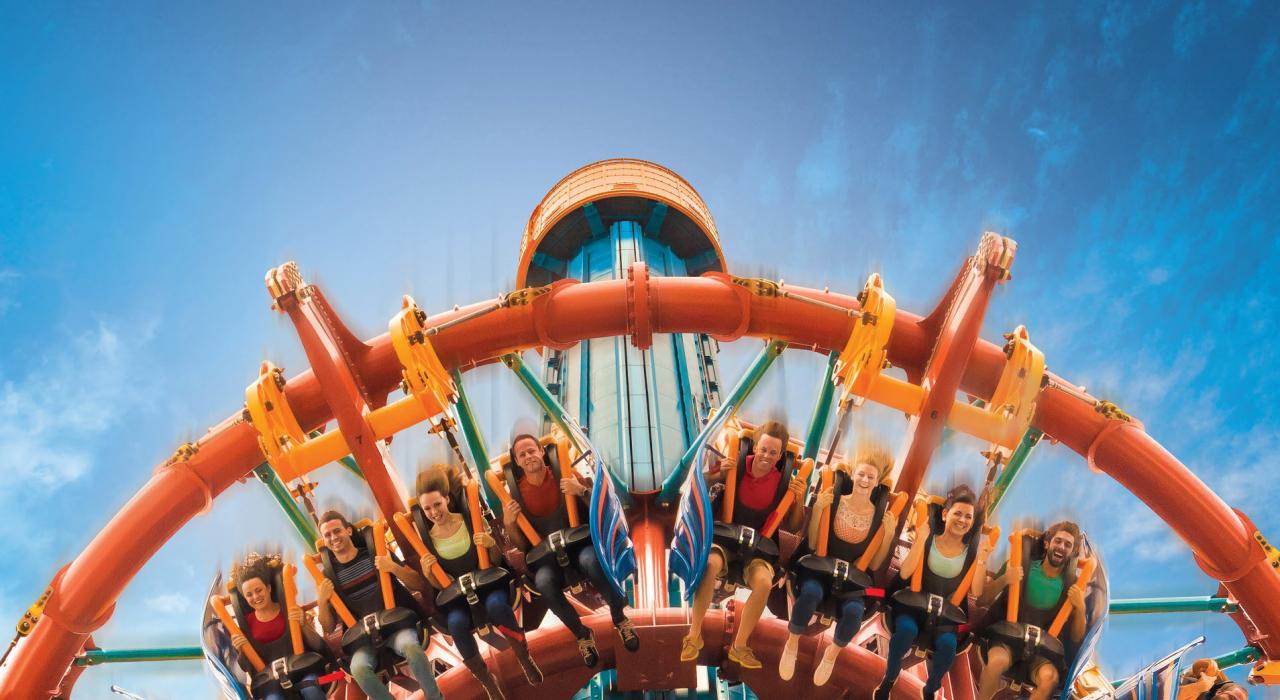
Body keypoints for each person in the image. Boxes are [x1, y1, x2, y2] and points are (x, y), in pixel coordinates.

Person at [499, 433, 639, 667]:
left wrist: (581, 490)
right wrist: (509, 523)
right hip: (547, 558)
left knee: (592, 562)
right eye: (522, 455)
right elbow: (522, 546)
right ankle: (582, 635)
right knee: (543, 583)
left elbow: (599, 510)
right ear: (517, 462)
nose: (528, 456)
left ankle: (619, 617)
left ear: (541, 451)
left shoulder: (565, 473)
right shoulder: (516, 495)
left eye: (531, 450)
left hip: (578, 545)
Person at [681, 420, 808, 669]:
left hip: (757, 547)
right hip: (726, 539)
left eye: (773, 453)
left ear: (780, 456)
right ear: (755, 447)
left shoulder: (782, 482)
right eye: (763, 449)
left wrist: (798, 498)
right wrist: (719, 473)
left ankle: (739, 646)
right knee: (710, 565)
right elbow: (697, 484)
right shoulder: (735, 464)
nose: (766, 456)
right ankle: (694, 636)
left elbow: (794, 525)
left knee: (764, 582)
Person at [414, 464, 542, 700]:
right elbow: (439, 585)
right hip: (457, 597)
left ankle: (524, 657)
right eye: (428, 509)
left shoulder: (470, 520)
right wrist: (428, 572)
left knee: (496, 606)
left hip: (487, 584)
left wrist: (491, 544)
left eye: (437, 504)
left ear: (447, 499)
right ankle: (487, 681)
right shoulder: (428, 540)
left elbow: (494, 561)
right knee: (456, 624)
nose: (434, 512)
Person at [780, 445, 898, 685]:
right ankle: (791, 644)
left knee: (854, 612)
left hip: (852, 580)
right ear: (853, 475)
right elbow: (814, 542)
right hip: (821, 569)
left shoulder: (877, 516)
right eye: (861, 474)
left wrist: (888, 534)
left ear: (877, 483)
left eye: (871, 477)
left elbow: (875, 563)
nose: (865, 480)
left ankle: (831, 655)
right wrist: (818, 509)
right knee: (810, 593)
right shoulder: (835, 501)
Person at [874, 485, 994, 700]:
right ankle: (889, 678)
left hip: (945, 615)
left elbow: (976, 591)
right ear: (945, 514)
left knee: (948, 646)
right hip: (914, 605)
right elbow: (906, 572)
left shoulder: (970, 553)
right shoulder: (928, 539)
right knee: (906, 631)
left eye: (968, 517)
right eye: (957, 513)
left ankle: (930, 689)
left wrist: (983, 558)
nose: (962, 520)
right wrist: (920, 540)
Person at [313, 510, 443, 700]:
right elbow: (328, 627)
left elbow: (418, 584)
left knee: (412, 649)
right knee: (358, 669)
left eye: (337, 531)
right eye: (328, 535)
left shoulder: (378, 554)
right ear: (324, 541)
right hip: (363, 640)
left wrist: (393, 567)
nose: (333, 538)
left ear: (349, 531)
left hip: (397, 626)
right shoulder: (328, 576)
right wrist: (322, 600)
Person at [977, 522, 1087, 700]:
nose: (1061, 547)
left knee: (1050, 678)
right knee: (996, 662)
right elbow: (982, 600)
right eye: (1058, 541)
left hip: (1042, 653)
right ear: (1047, 544)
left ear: (1073, 553)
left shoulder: (1073, 586)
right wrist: (1005, 579)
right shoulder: (1019, 564)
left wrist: (1080, 607)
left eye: (1068, 545)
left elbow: (1076, 637)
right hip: (1007, 640)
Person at [224, 553, 327, 700]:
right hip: (271, 682)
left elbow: (317, 645)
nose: (255, 597)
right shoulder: (246, 626)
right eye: (249, 594)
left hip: (304, 669)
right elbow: (246, 667)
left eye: (258, 590)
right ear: (245, 598)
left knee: (310, 690)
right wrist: (241, 650)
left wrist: (303, 624)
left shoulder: (290, 609)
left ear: (269, 588)